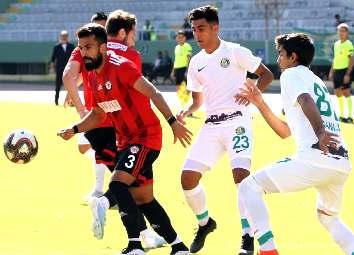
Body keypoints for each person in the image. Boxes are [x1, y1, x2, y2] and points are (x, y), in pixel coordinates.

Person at [58, 23, 192, 255]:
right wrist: (75, 128)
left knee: (119, 184)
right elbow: (98, 114)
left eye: (88, 47)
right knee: (143, 198)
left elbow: (153, 92)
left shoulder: (121, 67)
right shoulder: (92, 76)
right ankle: (179, 247)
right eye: (80, 48)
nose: (83, 52)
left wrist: (172, 122)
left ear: (102, 48)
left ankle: (134, 246)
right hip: (127, 141)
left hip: (146, 137)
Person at [236, 33, 354, 255]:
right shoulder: (315, 80)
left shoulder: (291, 75)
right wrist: (260, 104)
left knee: (249, 187)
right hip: (340, 164)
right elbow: (285, 132)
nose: (278, 59)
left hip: (315, 157)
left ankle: (268, 251)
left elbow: (305, 100)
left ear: (293, 57)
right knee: (329, 217)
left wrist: (320, 132)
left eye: (281, 54)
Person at [177, 5, 273, 254]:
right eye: (194, 29)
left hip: (238, 122)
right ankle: (205, 223)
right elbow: (197, 101)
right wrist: (187, 112)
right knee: (187, 178)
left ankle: (247, 237)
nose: (197, 34)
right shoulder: (196, 62)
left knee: (241, 178)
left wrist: (254, 92)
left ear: (215, 27)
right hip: (211, 125)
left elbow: (266, 73)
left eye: (202, 29)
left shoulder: (234, 51)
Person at [328, 23, 354, 123]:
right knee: (338, 93)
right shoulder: (336, 44)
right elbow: (335, 59)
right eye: (340, 31)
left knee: (346, 92)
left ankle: (350, 117)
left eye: (343, 31)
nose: (341, 33)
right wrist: (331, 71)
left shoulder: (349, 44)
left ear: (347, 32)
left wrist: (348, 74)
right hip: (337, 71)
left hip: (345, 70)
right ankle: (342, 116)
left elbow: (352, 59)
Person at [50, 30, 75, 105]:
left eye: (65, 36)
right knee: (58, 86)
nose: (64, 37)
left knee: (71, 87)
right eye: (63, 36)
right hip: (59, 70)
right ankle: (56, 101)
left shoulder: (71, 46)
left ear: (67, 37)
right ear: (60, 37)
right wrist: (52, 68)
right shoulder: (56, 47)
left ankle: (71, 102)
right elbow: (53, 59)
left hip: (69, 70)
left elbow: (74, 58)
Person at [171, 30, 193, 108]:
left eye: (181, 37)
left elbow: (189, 59)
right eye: (178, 37)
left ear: (185, 38)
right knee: (178, 89)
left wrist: (187, 70)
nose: (179, 38)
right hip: (177, 69)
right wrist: (173, 71)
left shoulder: (187, 46)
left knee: (187, 88)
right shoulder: (176, 47)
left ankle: (187, 106)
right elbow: (176, 60)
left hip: (184, 69)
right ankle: (183, 106)